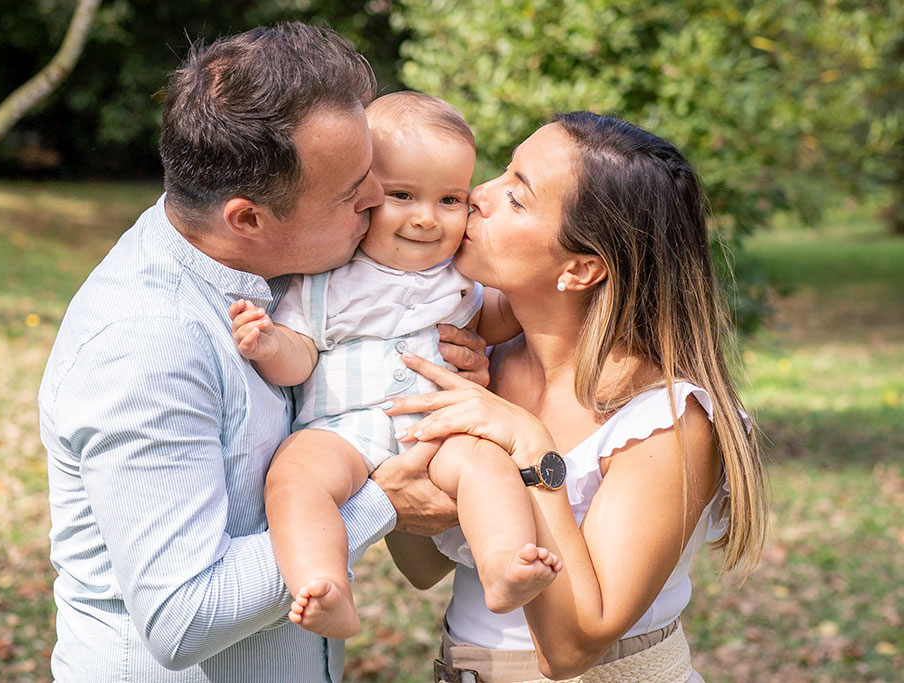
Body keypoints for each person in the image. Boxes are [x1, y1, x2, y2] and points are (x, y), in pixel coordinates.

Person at [38, 24, 488, 682]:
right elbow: (183, 616)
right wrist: (381, 500)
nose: (375, 200)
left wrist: (434, 382)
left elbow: (423, 561)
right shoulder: (148, 344)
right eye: (352, 191)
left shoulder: (295, 277)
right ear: (247, 219)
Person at [381, 111, 768, 682]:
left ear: (582, 267)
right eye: (500, 174)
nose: (478, 196)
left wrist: (533, 448)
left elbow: (572, 649)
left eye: (517, 198)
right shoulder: (480, 368)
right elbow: (422, 566)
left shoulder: (665, 421)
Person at [229, 91, 562, 641]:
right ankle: (324, 581)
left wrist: (541, 286)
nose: (427, 219)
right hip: (342, 431)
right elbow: (300, 356)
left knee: (486, 465)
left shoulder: (462, 280)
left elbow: (504, 317)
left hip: (438, 432)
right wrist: (268, 346)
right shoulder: (325, 278)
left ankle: (504, 564)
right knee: (295, 476)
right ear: (361, 198)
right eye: (402, 195)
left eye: (451, 200)